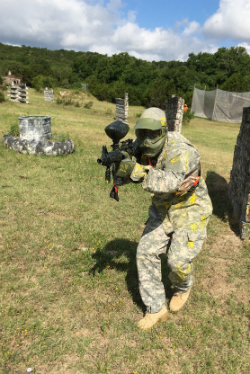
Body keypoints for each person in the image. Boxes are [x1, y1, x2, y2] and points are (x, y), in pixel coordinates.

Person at [115, 107, 213, 330]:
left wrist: (137, 171)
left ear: (163, 131)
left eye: (152, 134)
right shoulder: (142, 144)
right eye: (142, 134)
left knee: (177, 262)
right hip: (162, 208)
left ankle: (183, 287)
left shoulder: (181, 150)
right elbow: (137, 167)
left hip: (190, 208)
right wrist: (123, 167)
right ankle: (156, 308)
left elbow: (172, 182)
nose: (147, 140)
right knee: (145, 252)